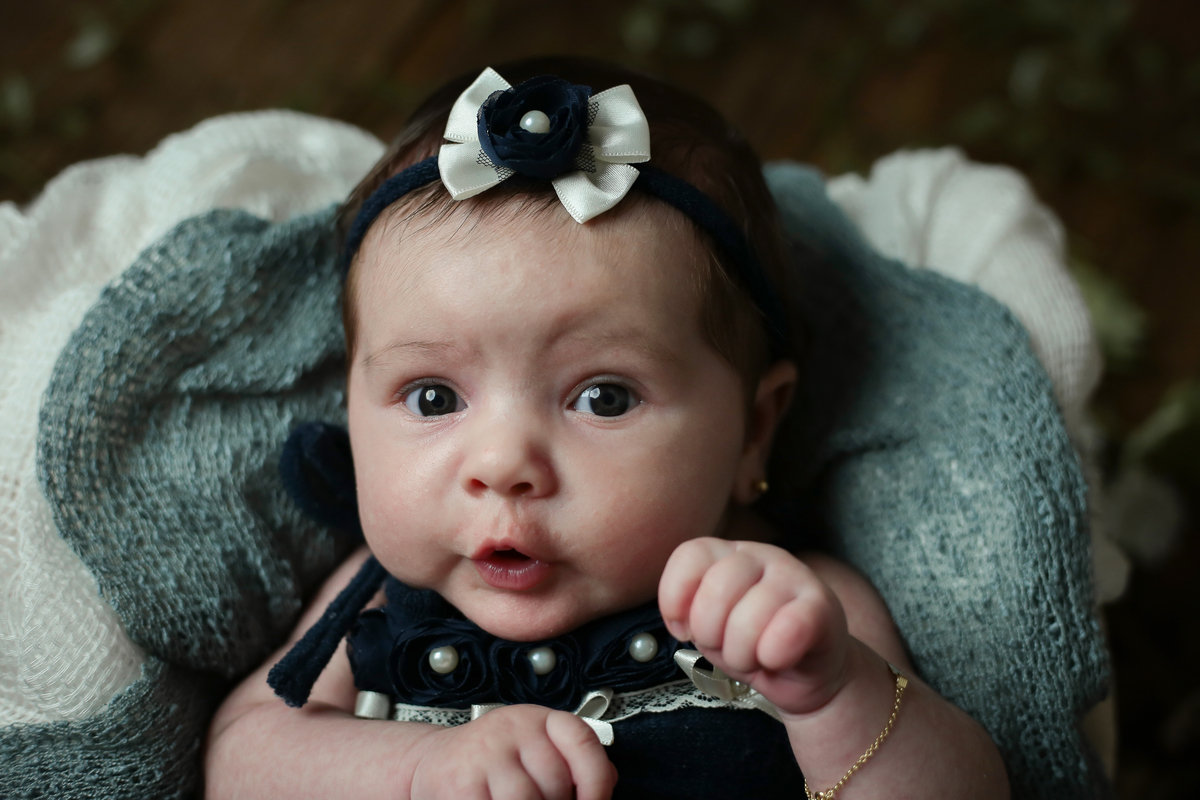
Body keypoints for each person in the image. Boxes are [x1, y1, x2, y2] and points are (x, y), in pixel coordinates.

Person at [203, 57, 1010, 799]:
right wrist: (419, 770)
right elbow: (244, 758)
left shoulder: (785, 605)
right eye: (433, 398)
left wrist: (837, 695)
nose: (503, 464)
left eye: (605, 398)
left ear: (753, 430)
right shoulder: (376, 598)